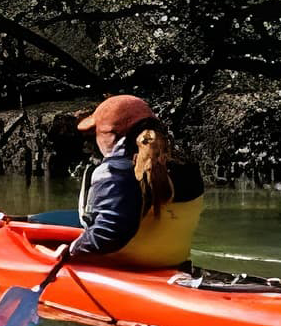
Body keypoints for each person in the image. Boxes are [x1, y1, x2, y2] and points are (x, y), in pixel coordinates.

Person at [67, 95, 204, 268]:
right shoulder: (188, 167)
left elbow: (108, 235)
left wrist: (71, 251)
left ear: (110, 135)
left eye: (95, 132)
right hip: (174, 266)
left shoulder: (113, 172)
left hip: (124, 271)